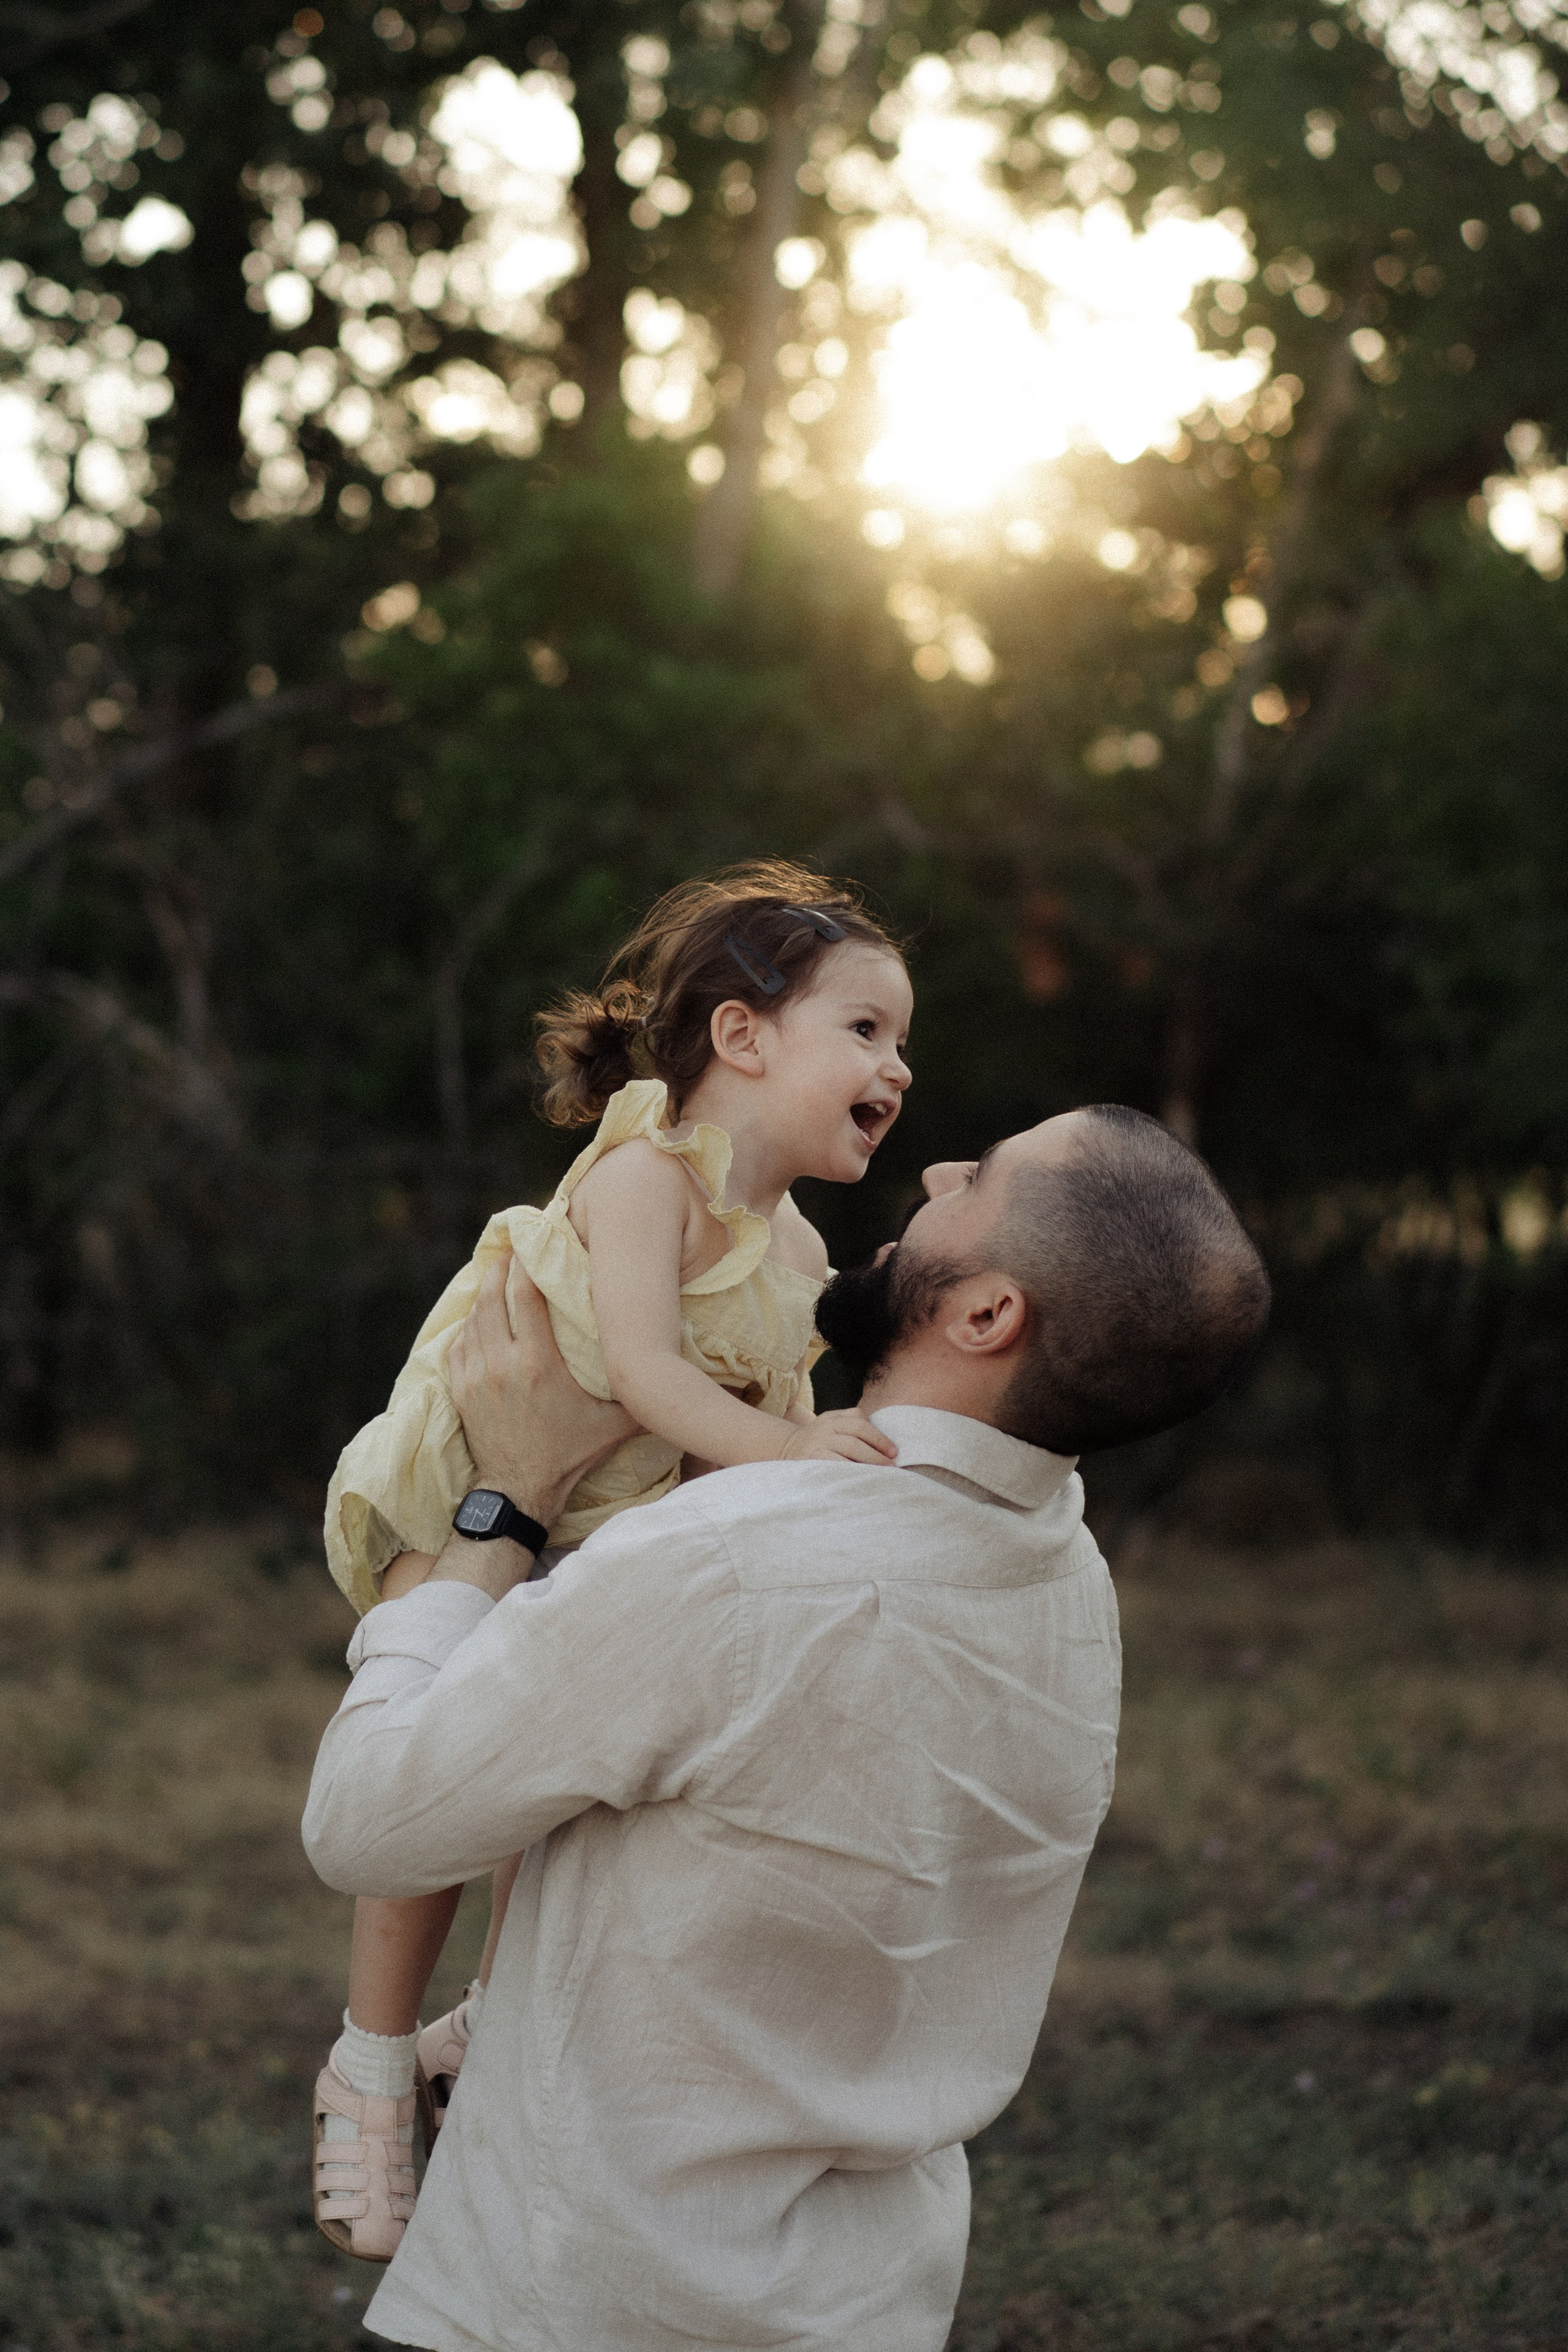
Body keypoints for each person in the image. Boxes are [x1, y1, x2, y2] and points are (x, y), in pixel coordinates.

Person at [303, 1101, 1271, 2352]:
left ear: (985, 1315)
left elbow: (366, 1823)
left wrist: (504, 1504)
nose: (931, 1168)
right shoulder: (1065, 1585)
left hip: (582, 2297)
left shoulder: (732, 1563)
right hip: (869, 2303)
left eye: (973, 1180)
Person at [312, 865, 914, 2261]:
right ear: (742, 1038)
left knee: (551, 1808)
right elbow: (643, 1371)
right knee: (426, 1800)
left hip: (596, 1549)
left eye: (900, 1042)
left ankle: (494, 2027)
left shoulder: (799, 1245)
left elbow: (750, 1435)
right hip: (470, 1488)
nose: (897, 1065)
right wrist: (791, 1453)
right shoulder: (652, 1175)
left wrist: (826, 1441)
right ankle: (370, 2060)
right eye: (866, 1030)